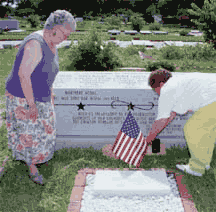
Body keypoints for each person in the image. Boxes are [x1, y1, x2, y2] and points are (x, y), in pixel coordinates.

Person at [4, 10, 77, 185]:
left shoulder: (51, 41)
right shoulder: (35, 44)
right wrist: (31, 105)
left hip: (41, 95)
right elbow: (23, 75)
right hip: (24, 96)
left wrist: (49, 92)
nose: (65, 39)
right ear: (56, 29)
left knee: (44, 129)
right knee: (29, 132)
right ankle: (31, 166)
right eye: (65, 34)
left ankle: (36, 157)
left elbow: (47, 71)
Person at [147, 69, 216, 177]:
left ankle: (197, 168)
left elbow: (161, 120)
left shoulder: (167, 89)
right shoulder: (178, 84)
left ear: (161, 84)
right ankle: (204, 162)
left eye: (155, 90)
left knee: (193, 129)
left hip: (213, 99)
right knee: (206, 131)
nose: (157, 94)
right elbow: (171, 115)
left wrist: (148, 139)